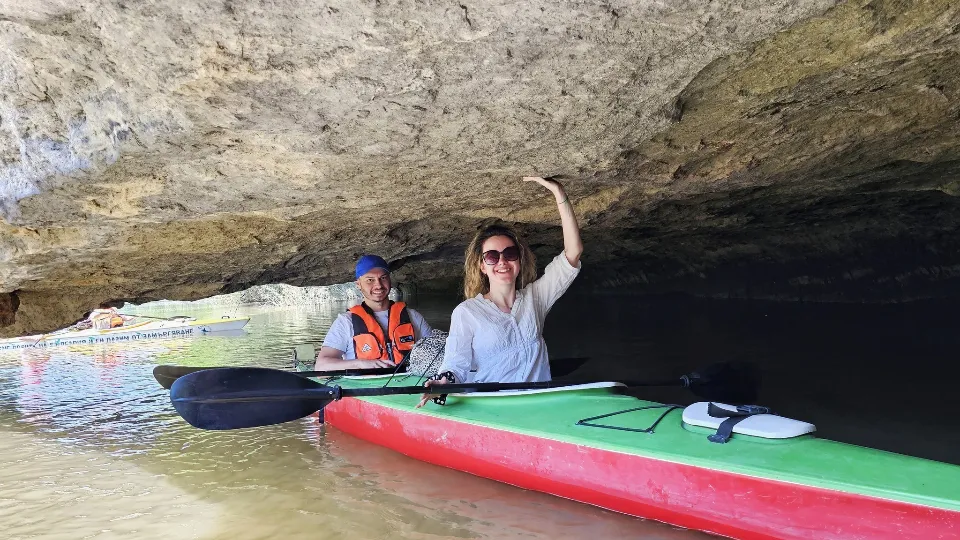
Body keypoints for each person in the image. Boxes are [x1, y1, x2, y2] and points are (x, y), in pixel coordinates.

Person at [417, 176, 583, 407]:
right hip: (495, 406)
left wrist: (559, 193)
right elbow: (456, 364)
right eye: (492, 257)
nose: (502, 262)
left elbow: (573, 252)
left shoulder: (536, 298)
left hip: (541, 402)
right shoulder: (467, 312)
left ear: (519, 260)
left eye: (510, 254)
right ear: (482, 266)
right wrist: (444, 382)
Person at [315, 254, 434, 370]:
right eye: (370, 280)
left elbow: (437, 354)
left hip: (409, 385)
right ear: (359, 284)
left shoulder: (413, 317)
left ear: (389, 279)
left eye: (383, 278)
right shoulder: (345, 322)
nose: (378, 285)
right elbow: (321, 367)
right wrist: (360, 364)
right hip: (366, 388)